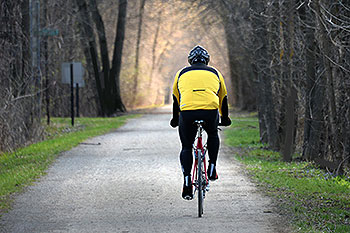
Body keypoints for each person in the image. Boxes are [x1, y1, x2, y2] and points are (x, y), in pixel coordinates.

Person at [170, 45, 231, 200]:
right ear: (207, 61)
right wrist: (224, 118)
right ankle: (212, 167)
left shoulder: (181, 73)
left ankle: (186, 181)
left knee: (186, 147)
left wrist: (176, 119)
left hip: (187, 112)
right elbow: (223, 97)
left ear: (190, 61)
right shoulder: (215, 72)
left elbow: (176, 98)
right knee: (212, 133)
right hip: (210, 110)